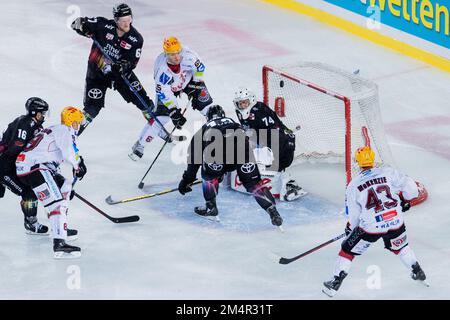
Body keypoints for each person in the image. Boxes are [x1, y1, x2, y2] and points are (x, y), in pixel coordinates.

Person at [322, 146, 426, 297]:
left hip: (371, 227)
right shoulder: (387, 171)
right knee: (401, 247)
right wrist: (404, 200)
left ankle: (335, 282)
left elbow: (355, 217)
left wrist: (350, 229)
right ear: (372, 159)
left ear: (357, 163)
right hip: (395, 221)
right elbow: (412, 189)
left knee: (346, 251)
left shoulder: (353, 185)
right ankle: (417, 270)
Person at [177, 105, 283, 227]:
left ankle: (211, 208)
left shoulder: (202, 130)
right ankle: (272, 211)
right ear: (223, 115)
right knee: (254, 184)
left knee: (209, 176)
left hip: (216, 154)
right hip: (243, 150)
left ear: (208, 118)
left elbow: (194, 161)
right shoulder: (235, 124)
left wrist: (186, 181)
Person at [71, 3, 155, 135]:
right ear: (116, 20)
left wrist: (122, 66)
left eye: (129, 19)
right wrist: (79, 25)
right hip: (96, 75)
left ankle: (157, 127)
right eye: (123, 21)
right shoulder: (103, 25)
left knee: (143, 101)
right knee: (92, 108)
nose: (127, 24)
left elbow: (132, 62)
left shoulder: (136, 39)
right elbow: (80, 23)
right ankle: (71, 136)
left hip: (120, 75)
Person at [16, 107, 87, 259]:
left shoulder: (56, 129)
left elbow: (62, 152)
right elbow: (68, 151)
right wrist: (77, 165)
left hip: (36, 167)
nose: (78, 125)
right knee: (57, 204)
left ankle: (60, 227)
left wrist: (79, 162)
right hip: (35, 168)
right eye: (77, 122)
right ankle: (59, 244)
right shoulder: (64, 130)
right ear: (70, 122)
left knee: (66, 187)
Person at [129, 36, 213, 160]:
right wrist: (174, 111)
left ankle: (217, 136)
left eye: (178, 52)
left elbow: (200, 68)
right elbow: (164, 92)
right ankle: (140, 144)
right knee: (162, 117)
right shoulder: (162, 71)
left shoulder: (188, 56)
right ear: (166, 54)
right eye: (172, 54)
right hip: (170, 88)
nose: (177, 57)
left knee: (208, 108)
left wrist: (197, 82)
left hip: (189, 80)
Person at [233, 87, 306, 201]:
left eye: (245, 102)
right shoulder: (240, 111)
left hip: (282, 142)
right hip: (269, 139)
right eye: (240, 103)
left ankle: (289, 184)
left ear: (251, 100)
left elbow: (274, 130)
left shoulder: (259, 111)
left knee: (271, 164)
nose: (242, 105)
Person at [0, 97, 49, 234]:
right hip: (5, 168)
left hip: (11, 167)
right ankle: (31, 224)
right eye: (42, 113)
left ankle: (30, 221)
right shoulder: (25, 124)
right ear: (34, 112)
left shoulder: (34, 125)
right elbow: (15, 148)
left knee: (30, 190)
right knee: (28, 192)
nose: (44, 116)